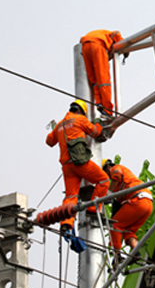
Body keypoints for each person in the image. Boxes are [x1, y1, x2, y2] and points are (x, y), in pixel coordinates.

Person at [46, 100, 110, 234]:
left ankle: (66, 223)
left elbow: (49, 141)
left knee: (71, 196)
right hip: (79, 162)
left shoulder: (60, 124)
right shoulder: (80, 119)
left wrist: (57, 130)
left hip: (67, 166)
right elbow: (96, 132)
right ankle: (92, 210)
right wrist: (97, 121)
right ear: (80, 111)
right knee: (104, 180)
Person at [102, 158, 153, 264]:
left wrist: (109, 193)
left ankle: (117, 255)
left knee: (115, 225)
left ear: (108, 167)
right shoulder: (119, 188)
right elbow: (117, 209)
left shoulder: (116, 168)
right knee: (128, 231)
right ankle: (136, 253)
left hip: (138, 199)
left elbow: (117, 175)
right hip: (147, 204)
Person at [80, 29, 124, 118]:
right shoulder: (109, 35)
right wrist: (125, 50)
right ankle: (108, 110)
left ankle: (99, 102)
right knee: (103, 80)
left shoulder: (100, 33)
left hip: (85, 46)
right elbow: (116, 33)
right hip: (97, 45)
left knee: (94, 79)